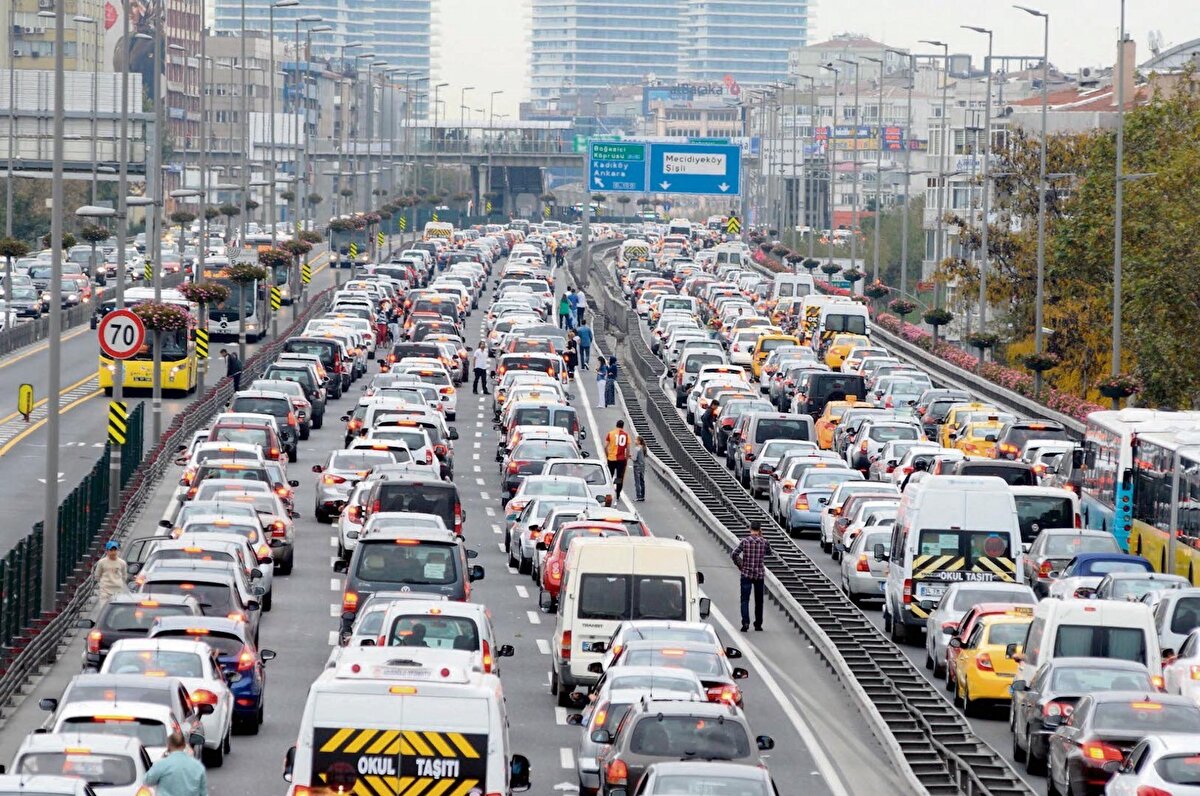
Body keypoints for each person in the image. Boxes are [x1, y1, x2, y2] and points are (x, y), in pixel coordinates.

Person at [731, 521, 771, 632]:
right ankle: (758, 624)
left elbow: (734, 554)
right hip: (759, 575)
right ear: (760, 529)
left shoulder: (745, 541)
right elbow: (769, 552)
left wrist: (740, 565)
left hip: (746, 574)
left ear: (750, 528)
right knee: (759, 601)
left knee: (744, 600)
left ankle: (745, 623)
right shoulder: (764, 542)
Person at [144, 730, 207, 795]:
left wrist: (162, 758)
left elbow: (147, 781)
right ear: (184, 745)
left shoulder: (162, 764)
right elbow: (203, 792)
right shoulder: (197, 766)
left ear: (169, 745)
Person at [93, 540, 129, 605]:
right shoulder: (101, 562)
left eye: (115, 550)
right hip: (105, 591)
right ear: (107, 551)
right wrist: (103, 584)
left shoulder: (122, 563)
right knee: (104, 610)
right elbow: (97, 575)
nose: (113, 552)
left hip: (118, 591)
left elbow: (124, 576)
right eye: (111, 550)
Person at [604, 420, 631, 500]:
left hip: (611, 458)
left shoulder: (610, 433)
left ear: (616, 425)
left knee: (610, 476)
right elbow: (628, 449)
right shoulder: (626, 435)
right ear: (623, 426)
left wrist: (607, 456)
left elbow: (605, 447)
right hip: (621, 459)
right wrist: (626, 458)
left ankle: (608, 492)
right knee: (619, 477)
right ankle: (618, 493)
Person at [632, 435, 647, 502]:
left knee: (637, 482)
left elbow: (634, 458)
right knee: (642, 481)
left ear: (639, 441)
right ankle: (642, 496)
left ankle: (638, 496)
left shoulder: (637, 448)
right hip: (642, 466)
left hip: (637, 466)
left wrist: (630, 456)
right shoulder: (643, 448)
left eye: (636, 440)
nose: (634, 441)